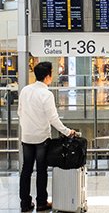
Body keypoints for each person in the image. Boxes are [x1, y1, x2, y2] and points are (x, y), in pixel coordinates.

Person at [18, 62, 76, 212]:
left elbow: (20, 112)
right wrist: (67, 131)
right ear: (47, 76)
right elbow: (53, 119)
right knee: (41, 170)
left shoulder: (25, 90)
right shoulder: (46, 94)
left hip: (26, 136)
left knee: (26, 169)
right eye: (52, 73)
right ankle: (41, 202)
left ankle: (25, 203)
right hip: (41, 137)